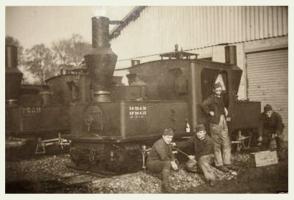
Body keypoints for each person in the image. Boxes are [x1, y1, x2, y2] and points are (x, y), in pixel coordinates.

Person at [201, 82, 235, 172]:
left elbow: (221, 106)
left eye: (220, 90)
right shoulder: (211, 98)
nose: (219, 91)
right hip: (215, 122)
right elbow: (203, 104)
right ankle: (219, 164)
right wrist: (209, 112)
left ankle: (227, 162)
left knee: (226, 142)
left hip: (223, 120)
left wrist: (224, 109)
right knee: (217, 144)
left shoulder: (221, 97)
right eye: (217, 90)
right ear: (214, 90)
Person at [146, 128, 178, 193]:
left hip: (159, 162)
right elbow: (164, 157)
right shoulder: (159, 143)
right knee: (167, 163)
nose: (169, 139)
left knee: (175, 161)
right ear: (163, 136)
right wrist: (172, 162)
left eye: (171, 138)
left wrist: (174, 161)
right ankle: (165, 186)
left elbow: (171, 154)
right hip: (152, 163)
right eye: (168, 137)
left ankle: (161, 174)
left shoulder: (167, 143)